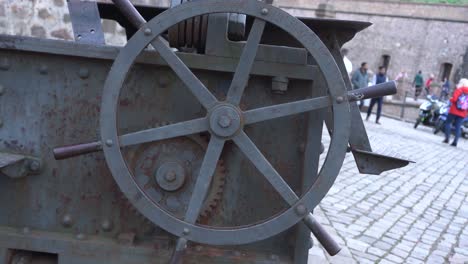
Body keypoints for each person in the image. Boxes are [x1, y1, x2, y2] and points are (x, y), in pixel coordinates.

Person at [443, 78, 468, 147]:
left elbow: (454, 99)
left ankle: (447, 139)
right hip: (463, 113)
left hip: (454, 110)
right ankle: (455, 142)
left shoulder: (459, 90)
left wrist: (450, 99)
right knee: (458, 126)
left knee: (448, 123)